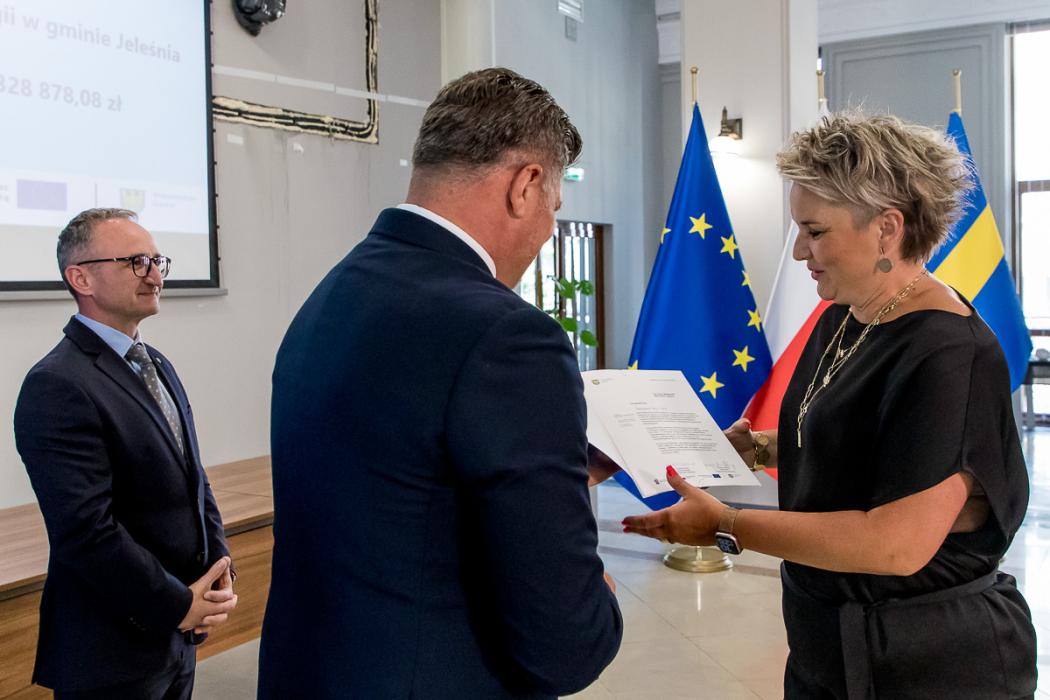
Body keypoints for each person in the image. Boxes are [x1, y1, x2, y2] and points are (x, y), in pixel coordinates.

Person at [621, 113, 1037, 699]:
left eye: (814, 231)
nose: (799, 251)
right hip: (830, 644)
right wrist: (755, 447)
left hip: (926, 659)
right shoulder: (845, 316)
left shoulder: (948, 352)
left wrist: (726, 525)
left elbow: (895, 544)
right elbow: (853, 437)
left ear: (887, 229)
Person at [258, 67, 622, 699]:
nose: (547, 232)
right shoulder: (509, 335)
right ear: (525, 186)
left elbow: (394, 480)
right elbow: (560, 640)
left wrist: (555, 468)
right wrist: (599, 607)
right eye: (555, 208)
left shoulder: (335, 292)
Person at [13, 209, 237, 699]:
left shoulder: (156, 363)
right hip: (111, 649)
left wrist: (218, 570)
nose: (154, 275)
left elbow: (193, 479)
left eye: (157, 260)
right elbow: (86, 530)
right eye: (135, 262)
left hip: (176, 635)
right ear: (81, 278)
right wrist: (176, 604)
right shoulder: (57, 383)